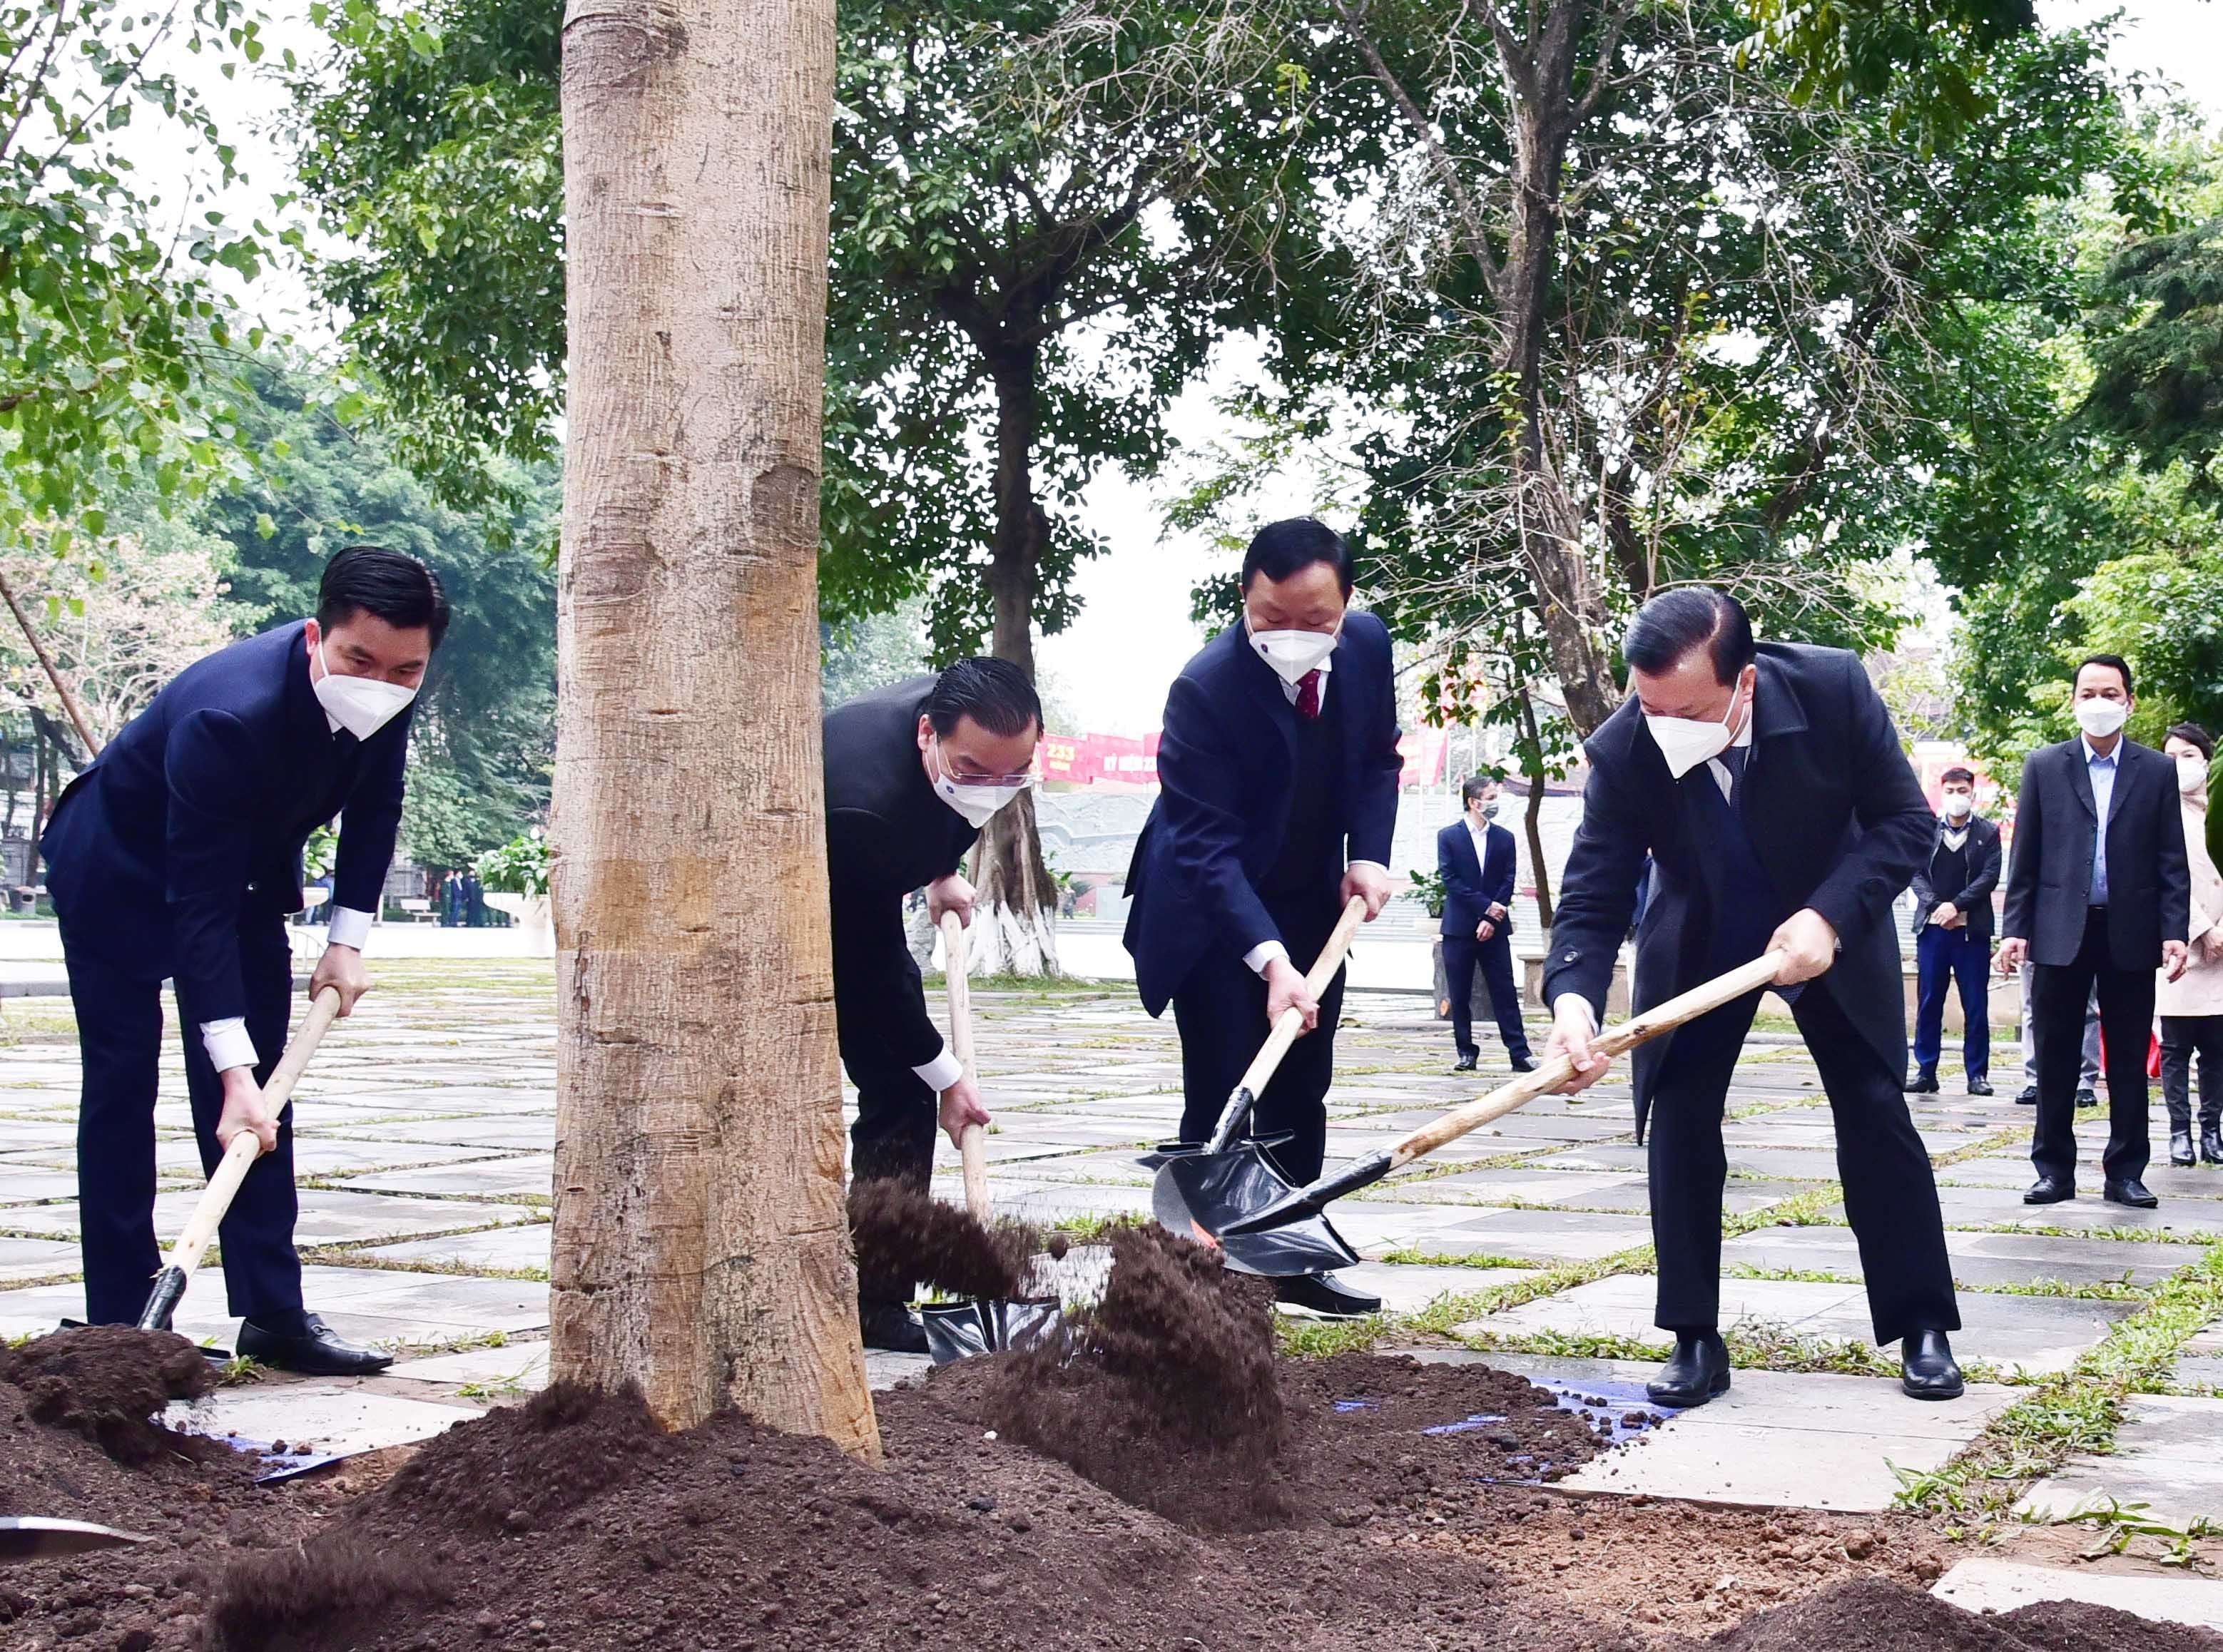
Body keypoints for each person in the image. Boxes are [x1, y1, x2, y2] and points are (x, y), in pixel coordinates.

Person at [1540, 588, 1964, 1406]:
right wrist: (1571, 1004)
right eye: (1650, 705)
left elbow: (1902, 825)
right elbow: (1592, 896)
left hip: (1827, 920)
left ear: (1744, 685)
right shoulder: (1628, 746)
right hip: (1700, 935)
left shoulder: (1831, 689)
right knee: (1682, 1112)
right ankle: (1693, 1336)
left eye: (1686, 710)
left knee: (1875, 1107)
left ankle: (1920, 1324)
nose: (1665, 726)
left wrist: (1828, 916)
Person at [43, 546, 447, 1374]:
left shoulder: (392, 684)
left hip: (242, 879)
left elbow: (377, 805)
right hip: (118, 872)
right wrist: (228, 1073)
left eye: (405, 668)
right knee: (125, 1080)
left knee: (265, 1102)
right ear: (314, 638)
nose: (381, 681)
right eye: (359, 660)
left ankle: (273, 1314)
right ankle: (122, 1324)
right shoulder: (229, 714)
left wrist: (348, 940)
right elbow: (197, 908)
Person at [1124, 517, 1402, 1318]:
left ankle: (1287, 1254)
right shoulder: (1204, 688)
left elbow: (1379, 760)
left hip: (1313, 896)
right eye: (1269, 617)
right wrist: (1270, 962)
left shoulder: (1368, 647)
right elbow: (1205, 849)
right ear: (1244, 598)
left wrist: (1370, 855)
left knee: (1301, 1083)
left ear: (1346, 605)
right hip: (1211, 911)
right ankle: (1204, 1280)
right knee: (1224, 1089)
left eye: (1314, 621)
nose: (1290, 636)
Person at [823, 658, 1039, 1352]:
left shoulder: (986, 739)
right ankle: (864, 1296)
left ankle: (876, 1294)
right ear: (927, 735)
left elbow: (962, 802)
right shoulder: (866, 805)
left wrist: (940, 874)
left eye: (1013, 774)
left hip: (875, 866)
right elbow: (871, 967)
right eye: (974, 772)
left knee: (904, 1089)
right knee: (902, 1083)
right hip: (784, 894)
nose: (992, 789)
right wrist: (947, 1078)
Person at [1997, 656, 2190, 1210]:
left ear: (2128, 701)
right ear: (2074, 700)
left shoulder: (2155, 770)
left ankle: (2126, 1171)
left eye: (2111, 692)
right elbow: (2026, 856)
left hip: (2131, 928)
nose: (2099, 702)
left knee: (2128, 1058)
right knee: (2055, 1056)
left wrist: (2173, 930)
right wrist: (2015, 930)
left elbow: (2170, 858)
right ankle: (2053, 1170)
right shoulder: (2044, 766)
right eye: (2089, 692)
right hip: (2059, 930)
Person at [1908, 768, 2000, 1096]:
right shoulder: (1929, 830)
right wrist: (1936, 907)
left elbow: (1989, 877)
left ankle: (1977, 1074)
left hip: (1969, 933)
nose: (1956, 797)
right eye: (1950, 790)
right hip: (1932, 931)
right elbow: (1915, 872)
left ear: (1972, 793)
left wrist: (1957, 905)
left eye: (1962, 790)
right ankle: (1925, 1070)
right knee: (1929, 1001)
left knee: (1975, 1004)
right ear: (1941, 792)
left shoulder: (1987, 832)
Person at [1437, 775, 1535, 1074]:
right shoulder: (1449, 836)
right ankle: (1466, 1051)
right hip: (1459, 928)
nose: (1495, 803)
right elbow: (1450, 879)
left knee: (1504, 990)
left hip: (1496, 928)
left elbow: (1508, 878)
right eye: (1491, 797)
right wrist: (1484, 907)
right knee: (1460, 993)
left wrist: (1492, 917)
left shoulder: (1504, 838)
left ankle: (1520, 1053)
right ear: (1473, 802)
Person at [2158, 723, 2223, 1168]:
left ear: (2205, 759)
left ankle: (2212, 1131)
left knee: (2217, 1049)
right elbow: (2163, 880)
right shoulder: (2161, 813)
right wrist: (2204, 928)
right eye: (2171, 756)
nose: (2179, 764)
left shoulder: (2216, 808)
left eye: (2187, 755)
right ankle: (2179, 1133)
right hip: (2182, 944)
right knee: (2177, 1050)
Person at [2015, 969, 2099, 1108]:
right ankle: (2035, 1081)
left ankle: (2086, 1083)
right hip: (2034, 949)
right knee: (2032, 1008)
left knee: (2088, 1008)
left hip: (2086, 948)